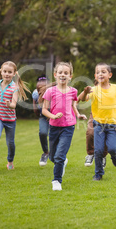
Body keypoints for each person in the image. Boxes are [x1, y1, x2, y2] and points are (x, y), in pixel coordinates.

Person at [40, 62, 87, 191]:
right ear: (55, 75)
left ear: (70, 76)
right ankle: (62, 162)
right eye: (60, 72)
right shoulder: (50, 91)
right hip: (54, 126)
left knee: (59, 156)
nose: (63, 75)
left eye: (66, 73)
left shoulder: (73, 91)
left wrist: (78, 115)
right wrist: (53, 116)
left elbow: (73, 105)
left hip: (68, 126)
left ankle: (56, 181)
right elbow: (44, 110)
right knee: (53, 157)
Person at [78, 63, 116, 181]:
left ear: (110, 75)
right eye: (98, 72)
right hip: (98, 125)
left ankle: (115, 157)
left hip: (113, 125)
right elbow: (82, 99)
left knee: (112, 149)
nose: (101, 74)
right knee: (98, 150)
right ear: (95, 76)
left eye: (103, 72)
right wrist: (85, 92)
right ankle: (98, 174)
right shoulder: (93, 90)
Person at [32, 75, 50, 166]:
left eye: (43, 88)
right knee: (42, 133)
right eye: (39, 88)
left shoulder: (52, 92)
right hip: (43, 117)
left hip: (54, 116)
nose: (40, 90)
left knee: (54, 135)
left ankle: (56, 153)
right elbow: (35, 108)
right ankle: (46, 152)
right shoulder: (35, 94)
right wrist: (40, 114)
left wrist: (50, 115)